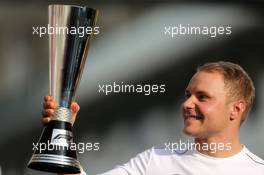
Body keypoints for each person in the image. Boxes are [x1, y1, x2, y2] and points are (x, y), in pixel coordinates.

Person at [42, 61, 264, 175]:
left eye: (202, 97)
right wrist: (61, 129)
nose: (187, 104)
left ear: (236, 109)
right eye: (188, 95)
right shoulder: (155, 161)